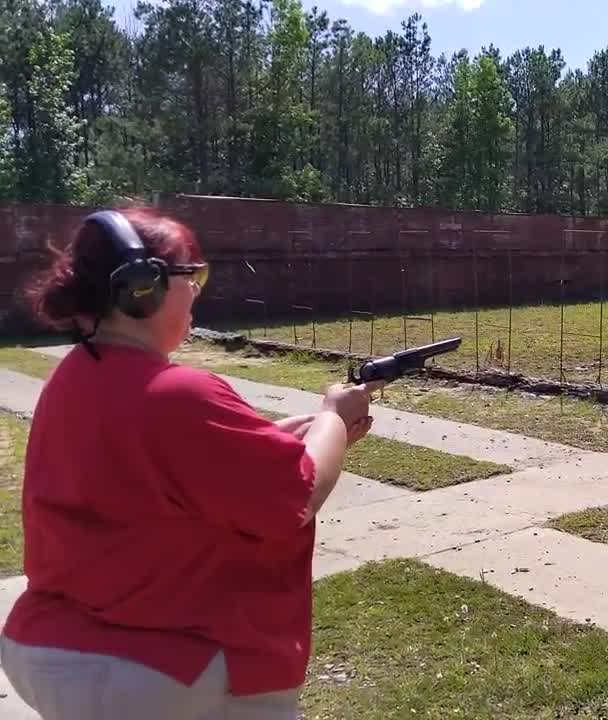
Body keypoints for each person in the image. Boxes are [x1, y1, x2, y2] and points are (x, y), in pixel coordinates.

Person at [0, 207, 383, 719]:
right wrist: (334, 418)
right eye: (191, 275)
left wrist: (268, 440)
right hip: (152, 669)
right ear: (144, 288)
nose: (198, 290)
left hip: (55, 650)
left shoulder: (71, 380)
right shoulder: (178, 393)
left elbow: (151, 479)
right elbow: (298, 493)